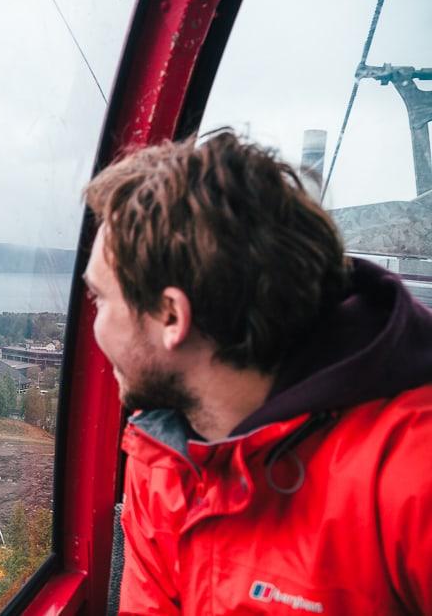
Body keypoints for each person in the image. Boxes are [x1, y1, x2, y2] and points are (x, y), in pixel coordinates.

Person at [82, 131, 432, 615]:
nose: (93, 326)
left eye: (100, 299)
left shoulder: (411, 471)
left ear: (170, 317)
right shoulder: (165, 456)